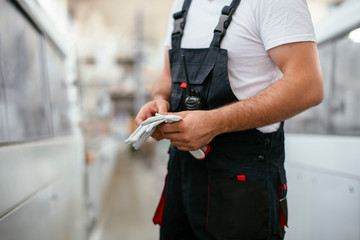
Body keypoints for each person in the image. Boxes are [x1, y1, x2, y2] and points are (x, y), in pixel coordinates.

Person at [135, 0, 323, 239]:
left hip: (242, 181)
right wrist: (159, 101)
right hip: (181, 174)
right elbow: (166, 76)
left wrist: (214, 122)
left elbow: (307, 86)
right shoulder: (182, 5)